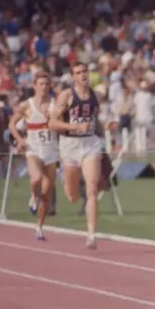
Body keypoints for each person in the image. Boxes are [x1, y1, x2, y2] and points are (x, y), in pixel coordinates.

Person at [49, 61, 104, 249]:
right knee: (72, 196)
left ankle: (91, 234)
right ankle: (66, 181)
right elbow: (52, 124)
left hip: (90, 144)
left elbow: (96, 120)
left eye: (85, 71)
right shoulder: (66, 96)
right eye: (78, 72)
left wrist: (105, 129)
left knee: (92, 189)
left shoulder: (97, 96)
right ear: (73, 77)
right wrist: (75, 126)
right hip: (70, 146)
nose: (83, 75)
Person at [9, 71, 60, 240]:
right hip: (33, 149)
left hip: (51, 151)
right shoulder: (27, 105)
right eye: (41, 84)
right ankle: (32, 196)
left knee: (46, 193)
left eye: (47, 84)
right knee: (35, 179)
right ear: (34, 86)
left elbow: (61, 126)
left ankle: (39, 226)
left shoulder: (55, 104)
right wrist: (19, 140)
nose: (44, 87)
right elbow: (12, 124)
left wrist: (53, 121)